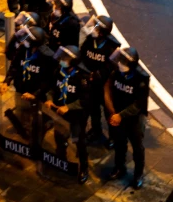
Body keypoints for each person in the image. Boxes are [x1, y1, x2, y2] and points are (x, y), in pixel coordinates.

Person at [102, 46, 149, 188]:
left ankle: (138, 174)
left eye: (123, 62)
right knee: (119, 144)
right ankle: (119, 168)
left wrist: (120, 115)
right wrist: (113, 112)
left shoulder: (141, 79)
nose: (120, 64)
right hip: (117, 115)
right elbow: (108, 88)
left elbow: (138, 105)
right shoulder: (116, 73)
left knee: (137, 148)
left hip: (133, 119)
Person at [45, 45, 94, 182]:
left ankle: (84, 168)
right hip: (60, 113)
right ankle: (61, 159)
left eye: (65, 58)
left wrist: (69, 107)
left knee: (79, 141)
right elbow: (51, 89)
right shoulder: (58, 72)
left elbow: (86, 100)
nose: (62, 60)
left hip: (77, 116)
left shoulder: (82, 78)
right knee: (59, 136)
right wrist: (49, 100)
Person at [10, 27, 54, 147]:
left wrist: (35, 94)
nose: (25, 41)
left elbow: (49, 80)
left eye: (28, 39)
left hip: (37, 94)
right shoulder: (23, 50)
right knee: (21, 114)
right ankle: (24, 135)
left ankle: (36, 142)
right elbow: (14, 66)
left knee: (36, 121)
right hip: (21, 90)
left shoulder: (47, 56)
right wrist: (6, 81)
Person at [78, 16, 118, 145]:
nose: (92, 29)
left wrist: (97, 75)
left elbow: (110, 67)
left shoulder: (111, 48)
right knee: (93, 110)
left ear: (102, 32)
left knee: (109, 112)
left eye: (95, 27)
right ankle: (96, 131)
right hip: (90, 84)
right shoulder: (90, 40)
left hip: (105, 86)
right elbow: (81, 54)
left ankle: (114, 137)